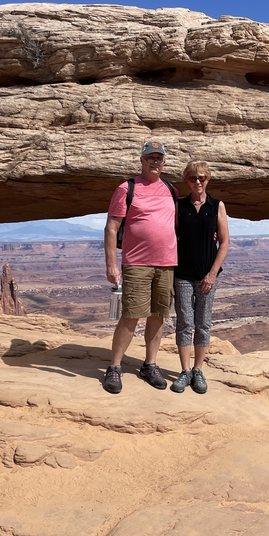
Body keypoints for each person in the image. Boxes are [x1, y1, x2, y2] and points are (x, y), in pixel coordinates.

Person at [102, 140, 177, 394]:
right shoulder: (127, 188)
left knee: (158, 315)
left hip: (167, 263)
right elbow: (111, 228)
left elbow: (176, 224)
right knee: (131, 315)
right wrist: (112, 264)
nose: (155, 162)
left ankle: (150, 364)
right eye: (150, 157)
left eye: (159, 158)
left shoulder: (170, 189)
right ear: (142, 160)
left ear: (164, 162)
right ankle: (114, 366)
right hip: (136, 262)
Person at [169, 160, 229, 394]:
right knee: (185, 322)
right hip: (182, 273)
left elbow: (224, 242)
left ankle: (198, 370)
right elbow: (171, 237)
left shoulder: (217, 206)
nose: (198, 181)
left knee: (203, 323)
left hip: (207, 275)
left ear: (208, 179)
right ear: (186, 180)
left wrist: (212, 274)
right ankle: (185, 372)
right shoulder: (179, 206)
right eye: (193, 178)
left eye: (202, 177)